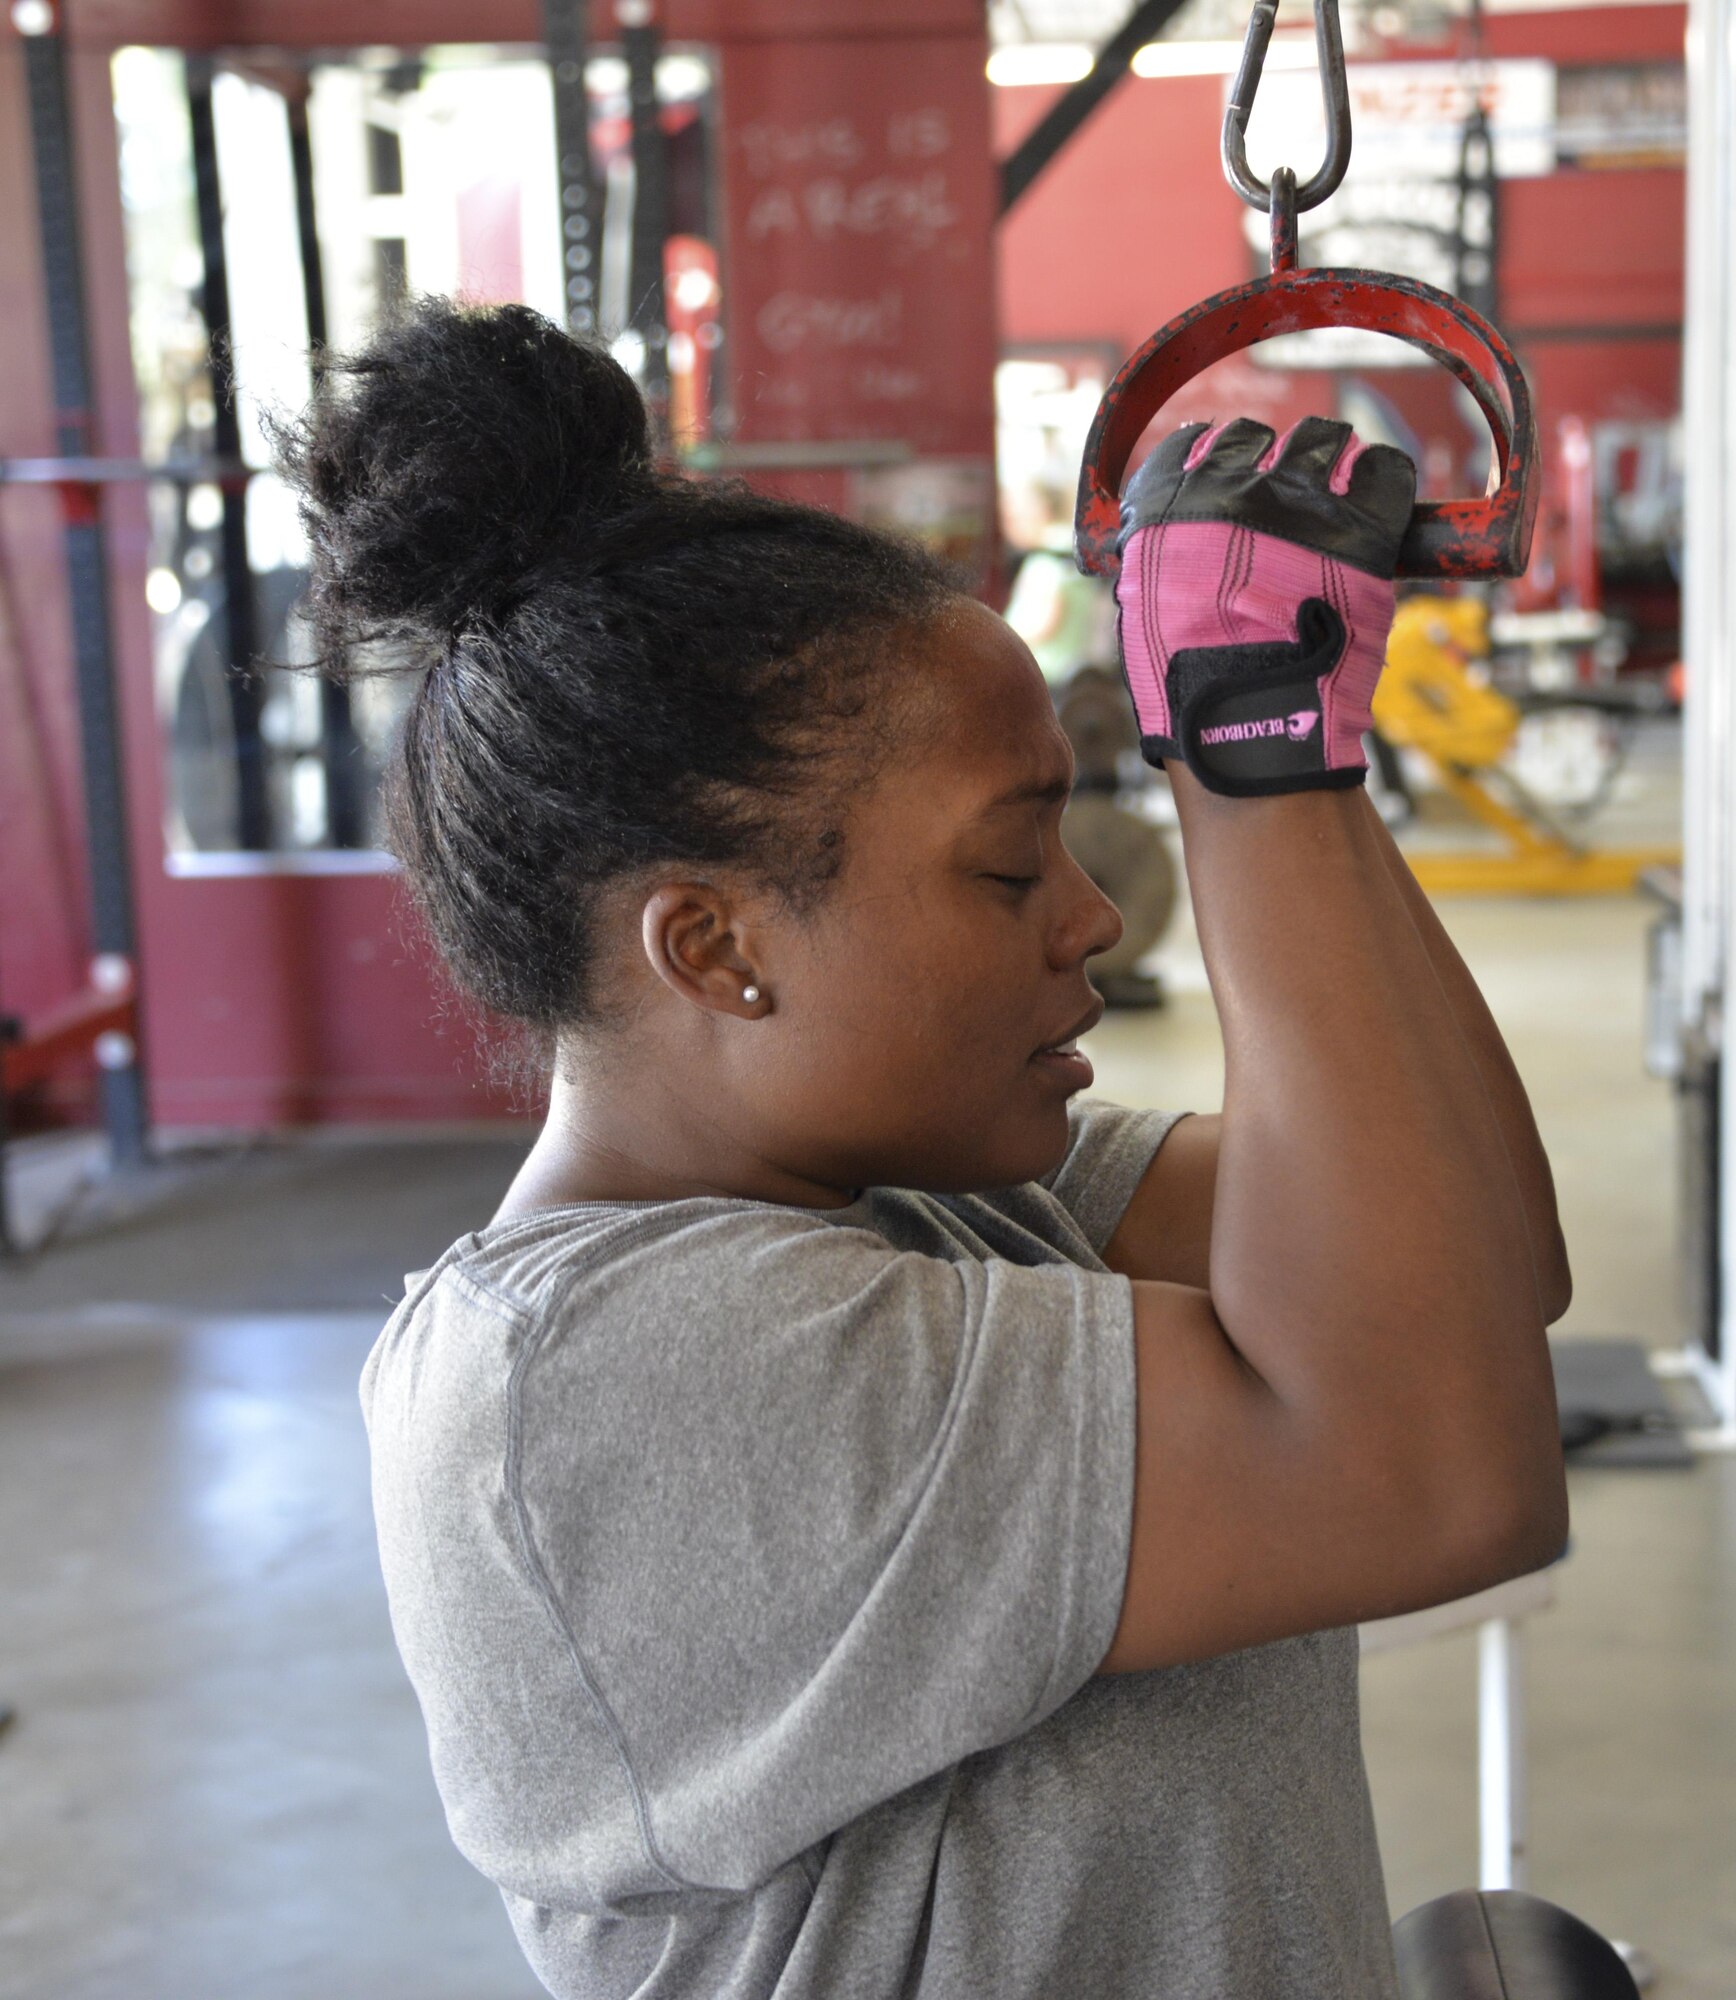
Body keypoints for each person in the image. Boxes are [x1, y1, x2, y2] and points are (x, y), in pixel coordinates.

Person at [276, 299, 1569, 2000]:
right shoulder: (618, 1375)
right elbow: (1436, 1468)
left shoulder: (945, 1197)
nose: (1094, 919)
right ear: (718, 947)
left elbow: (1480, 1265)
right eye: (1009, 870)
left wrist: (1276, 738)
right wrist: (1262, 775)